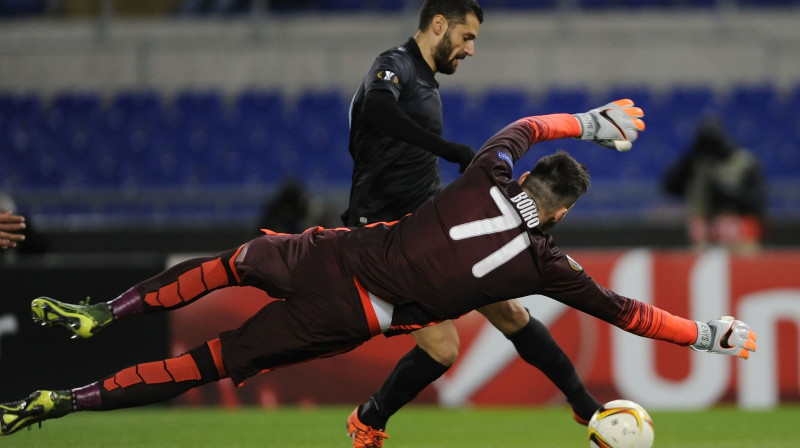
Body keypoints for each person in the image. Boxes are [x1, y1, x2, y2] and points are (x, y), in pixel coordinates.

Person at [2, 100, 756, 440]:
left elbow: (527, 127)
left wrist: (591, 122)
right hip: (352, 316)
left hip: (332, 253)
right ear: (560, 214)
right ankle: (65, 400)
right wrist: (706, 336)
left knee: (231, 263)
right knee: (210, 361)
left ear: (529, 186)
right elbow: (627, 312)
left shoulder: (489, 172)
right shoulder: (544, 264)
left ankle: (107, 311)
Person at [343, 1, 598, 445]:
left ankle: (586, 407)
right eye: (467, 37)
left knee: (510, 311)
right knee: (443, 349)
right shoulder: (393, 65)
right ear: (438, 25)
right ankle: (369, 419)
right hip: (385, 232)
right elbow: (376, 111)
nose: (471, 49)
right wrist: (446, 148)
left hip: (427, 219)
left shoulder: (426, 81)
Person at [662, 117, 767, 253]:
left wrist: (727, 194)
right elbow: (670, 187)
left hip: (738, 232)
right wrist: (692, 156)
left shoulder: (743, 162)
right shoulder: (696, 162)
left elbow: (756, 201)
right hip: (702, 231)